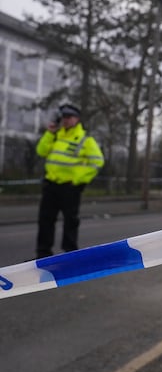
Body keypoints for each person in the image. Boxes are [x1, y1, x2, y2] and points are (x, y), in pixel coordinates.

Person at [35, 103, 105, 258]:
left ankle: (70, 254)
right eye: (63, 117)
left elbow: (97, 162)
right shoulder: (56, 136)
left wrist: (77, 180)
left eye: (69, 117)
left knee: (70, 221)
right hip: (51, 185)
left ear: (77, 119)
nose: (65, 120)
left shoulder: (85, 140)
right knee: (45, 220)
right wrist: (50, 134)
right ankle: (43, 254)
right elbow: (41, 151)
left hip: (70, 187)